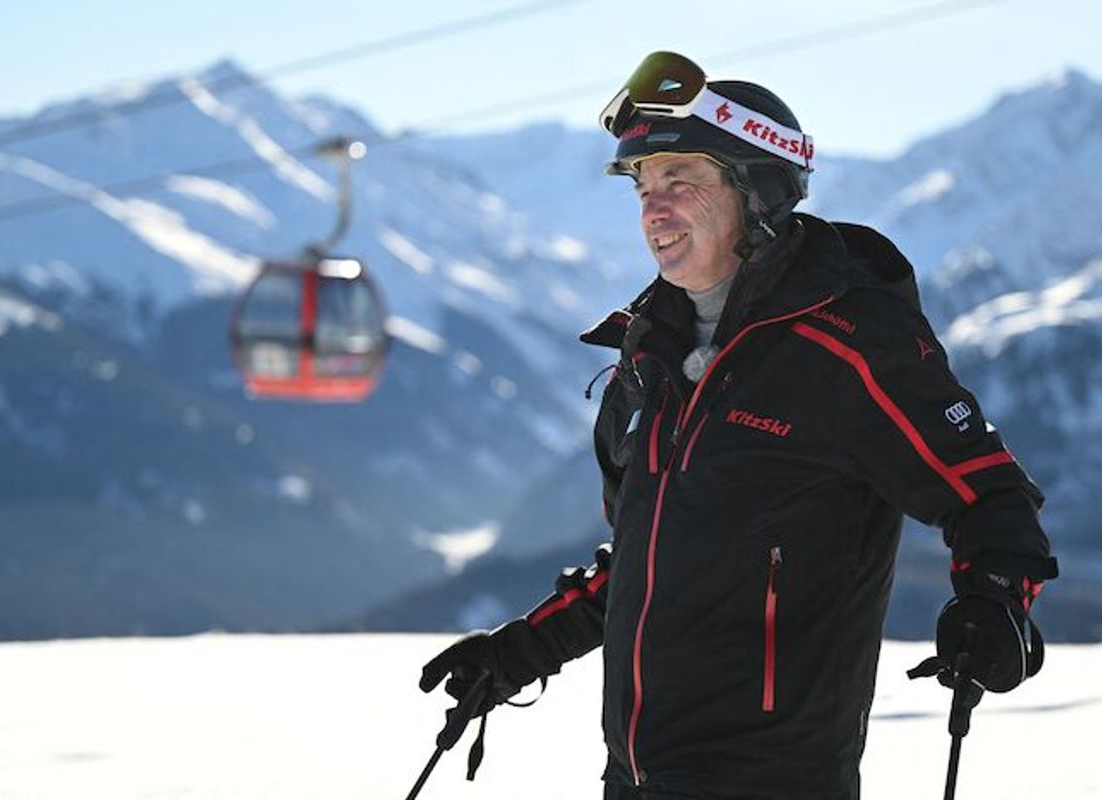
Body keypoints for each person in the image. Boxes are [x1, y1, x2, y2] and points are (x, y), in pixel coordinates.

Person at [419, 52, 1058, 800]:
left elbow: (986, 493)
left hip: (771, 779)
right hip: (636, 775)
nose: (653, 210)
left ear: (756, 192)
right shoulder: (650, 354)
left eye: (679, 182)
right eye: (642, 188)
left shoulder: (848, 344)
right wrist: (522, 651)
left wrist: (993, 599)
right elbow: (648, 554)